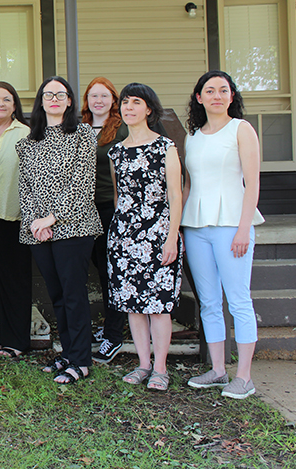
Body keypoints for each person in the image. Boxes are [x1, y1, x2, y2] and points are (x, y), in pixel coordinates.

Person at [182, 70, 264, 400]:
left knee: (238, 299)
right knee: (210, 302)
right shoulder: (192, 137)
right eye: (209, 90)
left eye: (223, 90)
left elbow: (253, 183)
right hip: (197, 227)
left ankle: (243, 376)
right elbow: (188, 186)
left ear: (231, 96)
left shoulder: (241, 129)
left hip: (232, 224)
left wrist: (244, 228)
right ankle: (218, 370)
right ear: (199, 98)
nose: (217, 95)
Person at [17, 76, 102, 385]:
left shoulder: (82, 135)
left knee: (74, 294)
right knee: (57, 295)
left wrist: (51, 218)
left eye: (60, 94)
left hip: (74, 226)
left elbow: (82, 184)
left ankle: (81, 360)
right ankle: (68, 352)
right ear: (41, 101)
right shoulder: (27, 143)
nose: (54, 98)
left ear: (69, 102)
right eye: (48, 94)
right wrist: (34, 222)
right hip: (38, 231)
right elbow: (25, 188)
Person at [107, 83, 183, 391]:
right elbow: (117, 196)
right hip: (124, 236)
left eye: (136, 102)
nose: (129, 108)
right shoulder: (116, 151)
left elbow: (176, 196)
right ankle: (143, 364)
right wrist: (121, 234)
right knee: (134, 305)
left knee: (158, 306)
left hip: (158, 234)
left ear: (148, 109)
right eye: (125, 102)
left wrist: (172, 238)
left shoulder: (166, 147)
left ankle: (160, 369)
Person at [0, 82, 31, 359]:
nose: (0, 104)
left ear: (14, 105)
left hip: (13, 215)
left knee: (14, 279)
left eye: (7, 99)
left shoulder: (25, 133)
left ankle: (16, 340)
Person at [80, 77, 129, 364]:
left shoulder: (121, 129)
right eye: (93, 96)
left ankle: (113, 335)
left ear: (114, 99)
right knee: (98, 269)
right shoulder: (80, 129)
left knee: (111, 272)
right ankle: (108, 327)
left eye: (104, 96)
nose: (98, 101)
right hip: (84, 208)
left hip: (112, 207)